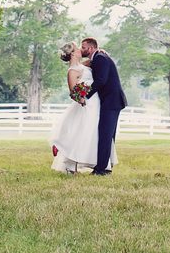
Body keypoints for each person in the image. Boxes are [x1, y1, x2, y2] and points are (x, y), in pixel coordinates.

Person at [50, 41, 117, 174]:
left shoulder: (83, 65)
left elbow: (96, 60)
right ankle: (70, 165)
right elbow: (73, 92)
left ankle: (100, 163)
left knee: (94, 134)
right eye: (78, 48)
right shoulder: (72, 70)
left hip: (96, 102)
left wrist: (100, 50)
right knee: (81, 133)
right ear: (74, 53)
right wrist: (81, 98)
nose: (81, 49)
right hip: (87, 104)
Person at [81, 37, 127, 176]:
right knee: (107, 135)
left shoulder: (100, 58)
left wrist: (85, 95)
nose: (81, 49)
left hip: (111, 101)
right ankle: (105, 167)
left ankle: (101, 169)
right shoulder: (98, 58)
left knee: (105, 135)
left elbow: (101, 81)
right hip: (110, 101)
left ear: (91, 47)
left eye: (83, 47)